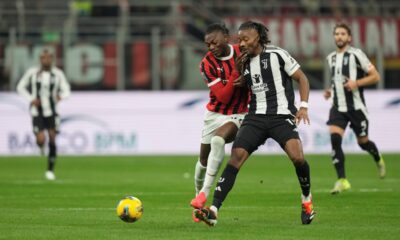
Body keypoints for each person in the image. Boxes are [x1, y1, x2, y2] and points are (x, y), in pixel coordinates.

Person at [193, 21, 315, 226]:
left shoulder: (277, 54)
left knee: (298, 158)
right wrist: (240, 79)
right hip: (255, 117)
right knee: (236, 158)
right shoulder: (243, 61)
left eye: (245, 39)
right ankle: (213, 209)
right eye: (239, 40)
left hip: (281, 116)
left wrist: (303, 106)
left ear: (258, 37)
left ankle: (307, 201)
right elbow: (239, 84)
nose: (241, 44)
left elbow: (302, 78)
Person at [190, 23, 249, 221]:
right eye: (208, 44)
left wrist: (246, 80)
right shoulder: (206, 64)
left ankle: (204, 194)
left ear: (226, 37)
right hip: (214, 114)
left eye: (214, 42)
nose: (211, 47)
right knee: (203, 162)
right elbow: (223, 96)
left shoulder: (243, 52)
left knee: (218, 140)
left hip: (239, 114)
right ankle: (198, 199)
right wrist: (235, 76)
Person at [324, 23, 385, 194]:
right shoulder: (331, 58)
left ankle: (378, 158)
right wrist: (331, 91)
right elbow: (337, 80)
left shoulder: (357, 55)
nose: (339, 36)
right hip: (337, 107)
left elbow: (376, 76)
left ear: (349, 37)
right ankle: (342, 180)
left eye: (343, 33)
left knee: (363, 142)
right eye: (336, 33)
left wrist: (356, 83)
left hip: (356, 107)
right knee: (335, 141)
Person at [17, 49, 71, 181]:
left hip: (52, 111)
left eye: (48, 58)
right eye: (43, 58)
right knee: (41, 139)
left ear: (52, 59)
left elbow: (67, 90)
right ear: (40, 59)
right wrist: (31, 99)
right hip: (37, 111)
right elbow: (20, 87)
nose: (45, 60)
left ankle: (50, 170)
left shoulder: (58, 74)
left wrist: (60, 96)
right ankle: (41, 147)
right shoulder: (32, 73)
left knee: (52, 137)